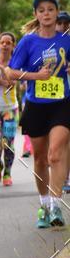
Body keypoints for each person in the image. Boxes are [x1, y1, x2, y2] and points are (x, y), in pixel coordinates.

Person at [7, 0, 70, 228]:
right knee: (41, 158)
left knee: (56, 154)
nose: (46, 13)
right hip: (35, 105)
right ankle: (43, 204)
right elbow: (11, 73)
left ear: (56, 13)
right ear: (36, 15)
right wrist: (36, 76)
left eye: (51, 9)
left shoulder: (66, 40)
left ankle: (55, 204)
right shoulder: (28, 42)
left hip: (62, 103)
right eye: (41, 10)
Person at [0, 32, 18, 185]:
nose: (5, 45)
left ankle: (7, 173)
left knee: (8, 142)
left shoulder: (15, 63)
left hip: (10, 109)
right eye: (3, 42)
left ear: (13, 45)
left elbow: (12, 83)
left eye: (9, 43)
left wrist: (0, 67)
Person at [57, 12, 70, 192]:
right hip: (58, 98)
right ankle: (64, 176)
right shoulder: (49, 44)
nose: (63, 26)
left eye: (66, 23)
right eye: (60, 23)